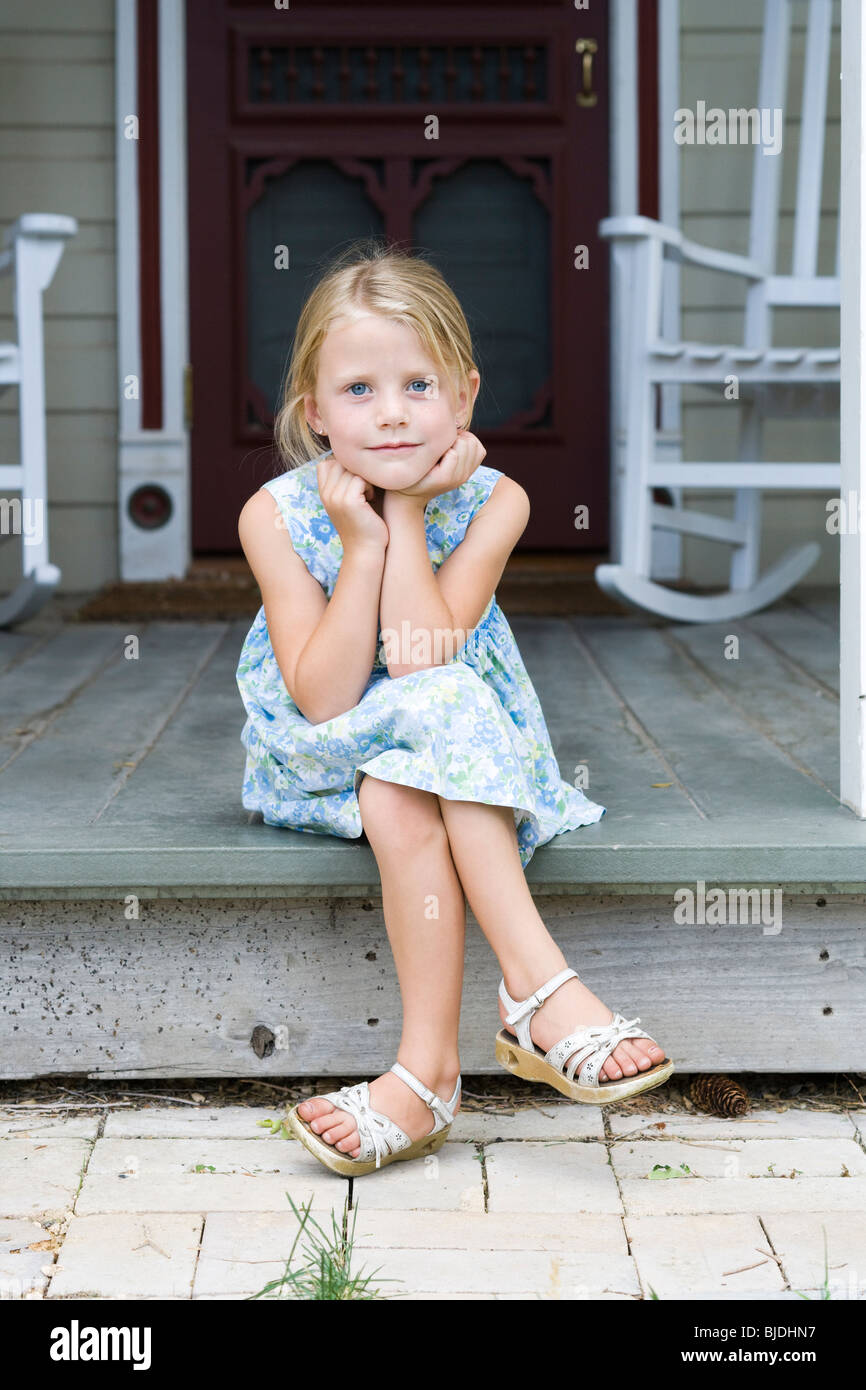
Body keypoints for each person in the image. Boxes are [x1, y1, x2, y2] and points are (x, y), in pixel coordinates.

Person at [235, 239, 673, 1177]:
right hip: (324, 748)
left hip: (433, 751)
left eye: (418, 386)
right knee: (426, 721)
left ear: (464, 399)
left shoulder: (495, 501)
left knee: (405, 786)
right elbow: (327, 695)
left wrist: (403, 512)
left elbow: (425, 648)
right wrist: (362, 542)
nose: (391, 414)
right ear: (314, 412)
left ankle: (425, 1077)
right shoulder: (273, 515)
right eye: (357, 391)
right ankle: (538, 988)